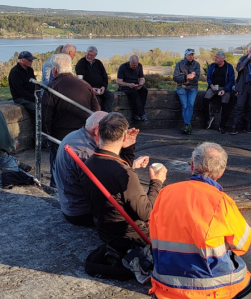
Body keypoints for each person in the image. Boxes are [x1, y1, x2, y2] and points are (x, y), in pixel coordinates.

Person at [148, 142, 251, 299]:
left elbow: (153, 231)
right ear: (221, 172)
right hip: (207, 289)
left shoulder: (165, 193)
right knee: (249, 286)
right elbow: (242, 245)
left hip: (164, 281)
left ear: (192, 166)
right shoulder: (221, 201)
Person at [82, 113, 167, 253]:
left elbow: (114, 175)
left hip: (105, 231)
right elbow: (146, 213)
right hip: (131, 237)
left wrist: (127, 148)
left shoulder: (88, 163)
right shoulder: (124, 173)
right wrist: (157, 182)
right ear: (125, 136)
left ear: (99, 132)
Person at [57, 111, 150, 226]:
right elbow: (116, 180)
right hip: (81, 212)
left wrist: (132, 161)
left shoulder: (76, 135)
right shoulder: (87, 153)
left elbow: (112, 172)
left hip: (71, 203)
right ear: (97, 130)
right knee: (138, 209)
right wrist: (156, 182)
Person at [42, 53, 101, 188]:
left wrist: (46, 136)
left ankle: (56, 188)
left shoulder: (52, 87)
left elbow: (45, 116)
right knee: (83, 165)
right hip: (84, 134)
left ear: (54, 70)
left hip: (60, 135)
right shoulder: (85, 85)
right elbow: (96, 110)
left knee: (59, 165)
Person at [203, 51, 235, 134]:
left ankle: (222, 125)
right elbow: (208, 77)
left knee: (225, 103)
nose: (215, 59)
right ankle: (208, 119)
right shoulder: (212, 66)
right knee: (205, 99)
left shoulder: (229, 67)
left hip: (225, 88)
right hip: (214, 87)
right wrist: (211, 85)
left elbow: (232, 81)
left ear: (222, 58)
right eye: (215, 57)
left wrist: (225, 90)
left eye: (217, 57)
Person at [75, 46, 114, 112]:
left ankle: (106, 115)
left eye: (91, 55)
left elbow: (104, 76)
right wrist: (91, 88)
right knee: (97, 100)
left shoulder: (98, 63)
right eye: (88, 54)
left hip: (100, 87)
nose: (89, 56)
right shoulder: (81, 63)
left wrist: (104, 87)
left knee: (110, 95)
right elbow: (80, 80)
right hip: (88, 89)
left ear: (95, 55)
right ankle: (97, 116)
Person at [173, 48, 201, 135]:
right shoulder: (179, 64)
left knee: (190, 105)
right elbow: (175, 78)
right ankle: (188, 124)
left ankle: (187, 124)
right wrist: (187, 77)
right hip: (181, 88)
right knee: (184, 105)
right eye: (189, 54)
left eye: (192, 54)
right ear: (185, 55)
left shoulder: (196, 64)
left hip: (192, 88)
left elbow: (196, 79)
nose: (190, 56)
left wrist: (184, 77)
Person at [117, 55, 149, 122]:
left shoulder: (139, 66)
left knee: (144, 90)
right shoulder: (122, 67)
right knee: (134, 93)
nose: (134, 66)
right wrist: (128, 84)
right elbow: (119, 82)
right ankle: (142, 113)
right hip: (125, 86)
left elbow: (142, 78)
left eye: (136, 65)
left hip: (135, 84)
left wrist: (141, 83)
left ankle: (137, 114)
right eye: (133, 65)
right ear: (129, 62)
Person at [8, 51, 38, 116]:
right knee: (38, 109)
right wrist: (32, 97)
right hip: (20, 98)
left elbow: (34, 83)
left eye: (32, 60)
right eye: (29, 60)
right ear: (22, 60)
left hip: (31, 96)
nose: (31, 61)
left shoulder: (30, 70)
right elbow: (19, 90)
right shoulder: (15, 72)